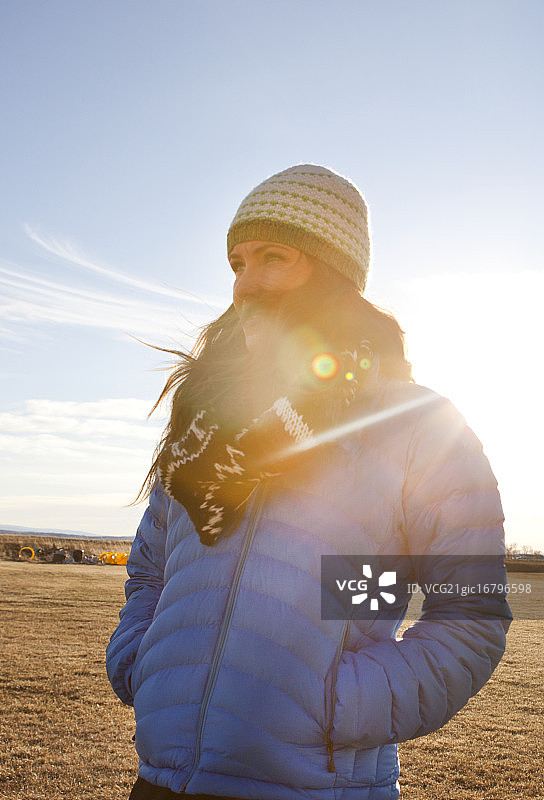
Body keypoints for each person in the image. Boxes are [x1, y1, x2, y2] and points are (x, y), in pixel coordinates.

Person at [106, 165, 512, 800]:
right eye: (237, 262)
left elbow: (469, 611)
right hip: (161, 782)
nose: (245, 283)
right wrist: (142, 661)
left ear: (333, 274)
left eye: (274, 257)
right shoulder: (202, 425)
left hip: (318, 787)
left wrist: (334, 704)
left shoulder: (415, 426)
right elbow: (151, 571)